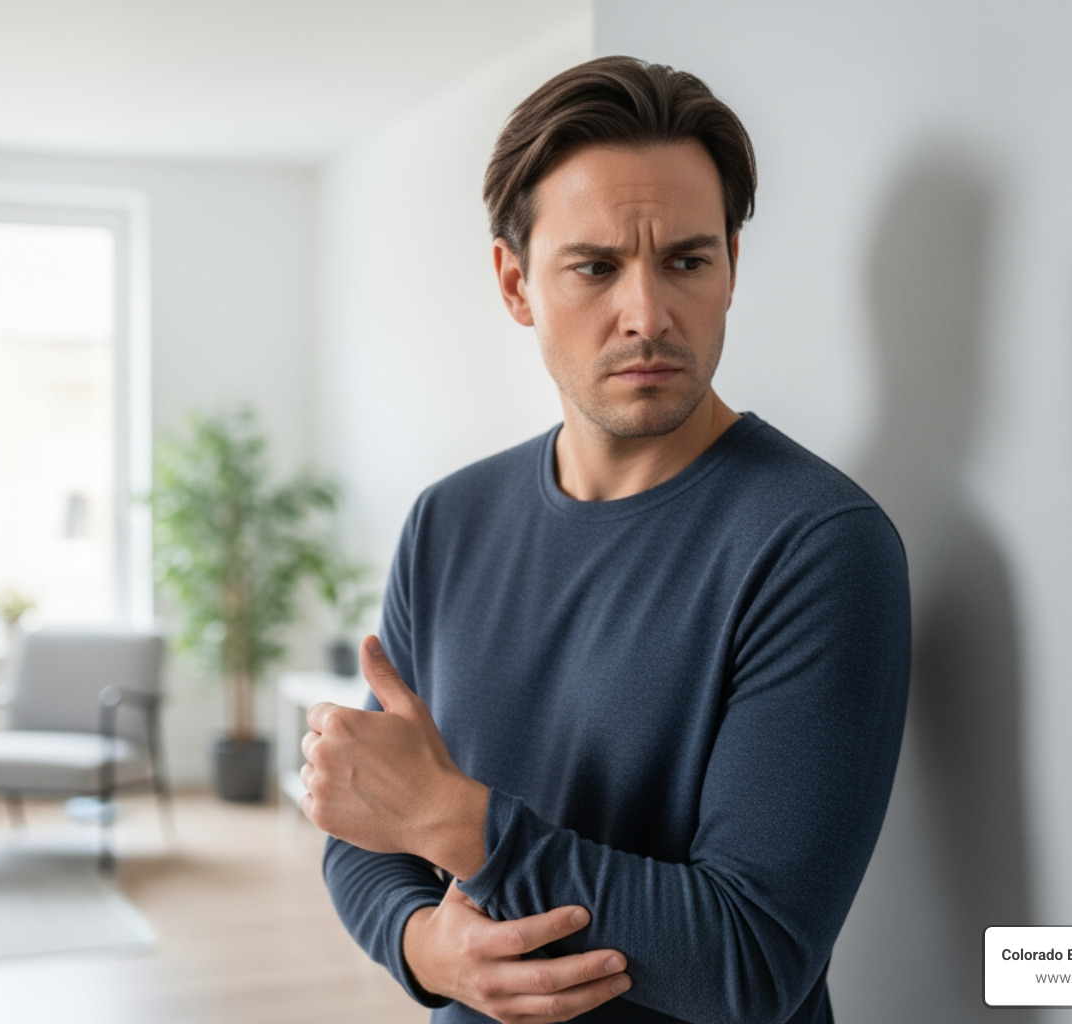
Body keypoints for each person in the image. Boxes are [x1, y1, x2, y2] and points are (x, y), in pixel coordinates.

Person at [300, 55, 910, 1024]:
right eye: (595, 266)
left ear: (732, 269)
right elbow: (376, 824)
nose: (649, 314)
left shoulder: (817, 544)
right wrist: (427, 948)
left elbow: (750, 962)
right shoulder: (449, 520)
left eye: (687, 260)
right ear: (515, 282)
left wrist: (461, 823)